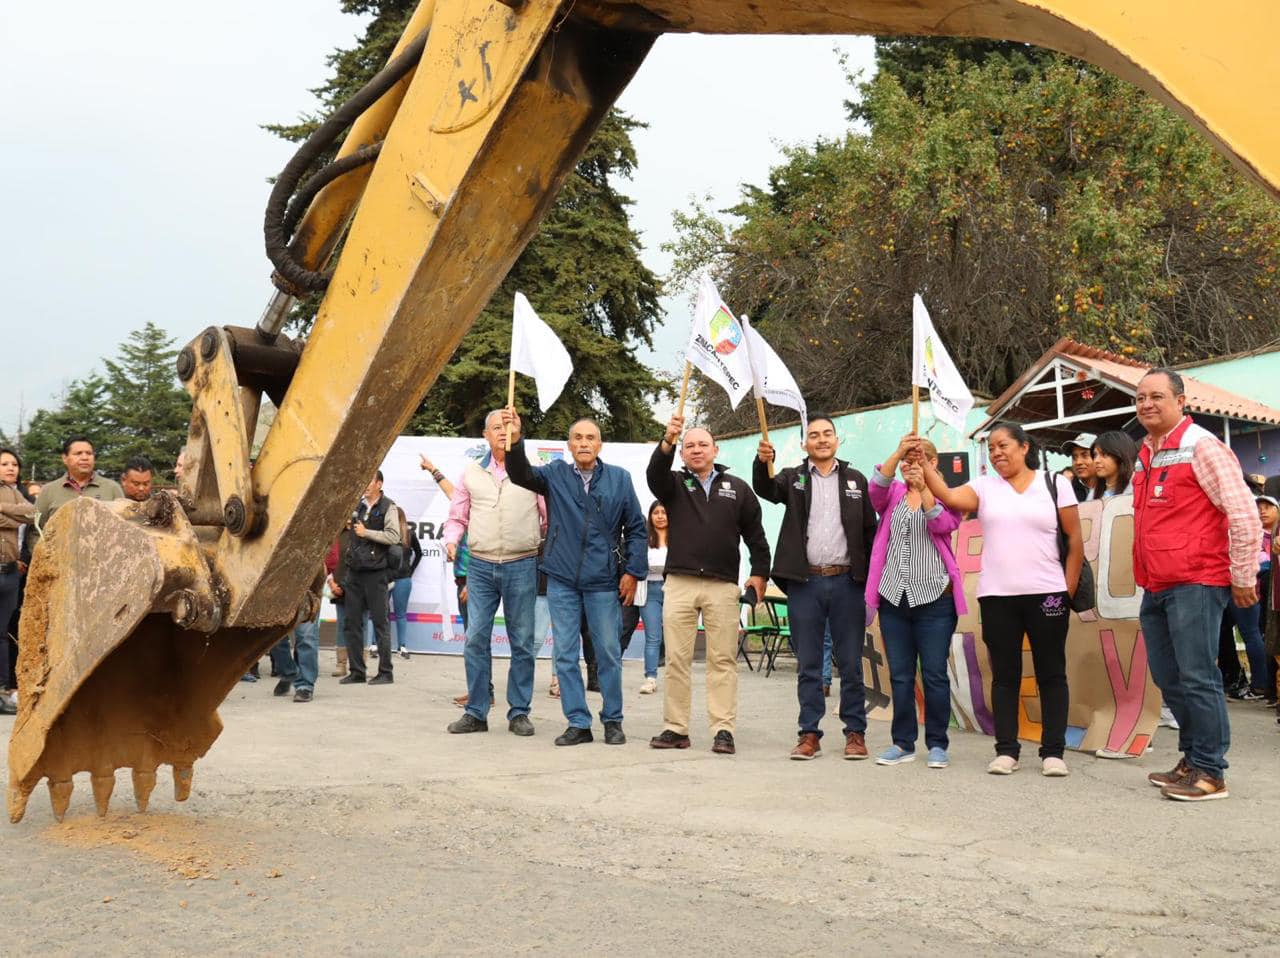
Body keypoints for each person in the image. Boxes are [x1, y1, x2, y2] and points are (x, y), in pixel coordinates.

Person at [922, 422, 1083, 777]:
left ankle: (1053, 752)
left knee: (1051, 673)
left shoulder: (1055, 484)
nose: (996, 453)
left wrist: (1065, 593)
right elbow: (948, 498)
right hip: (997, 596)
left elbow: (1075, 542)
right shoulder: (984, 487)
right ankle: (1007, 750)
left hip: (1047, 595)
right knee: (1004, 675)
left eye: (1003, 445)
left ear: (1024, 447)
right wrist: (924, 465)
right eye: (991, 448)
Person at [1133, 368, 1260, 802]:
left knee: (1198, 676)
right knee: (1169, 677)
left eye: (1157, 397)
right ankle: (1191, 759)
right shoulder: (1147, 452)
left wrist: (1242, 576)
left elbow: (1242, 511)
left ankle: (1211, 771)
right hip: (1156, 584)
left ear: (1181, 401)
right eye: (1140, 398)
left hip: (1197, 581)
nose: (1147, 404)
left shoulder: (1202, 446)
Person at [505, 408, 647, 747]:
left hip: (602, 581)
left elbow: (638, 529)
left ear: (600, 445)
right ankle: (578, 723)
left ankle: (613, 719)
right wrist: (514, 441)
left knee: (608, 652)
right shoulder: (554, 474)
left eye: (590, 437)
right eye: (578, 438)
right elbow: (520, 473)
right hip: (562, 580)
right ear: (568, 445)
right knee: (565, 654)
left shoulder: (620, 478)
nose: (584, 443)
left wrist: (632, 572)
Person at [755, 415, 877, 761]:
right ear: (804, 444)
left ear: (837, 440)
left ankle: (855, 732)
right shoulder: (792, 478)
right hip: (805, 582)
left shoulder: (856, 480)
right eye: (813, 436)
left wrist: (868, 579)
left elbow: (870, 531)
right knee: (808, 663)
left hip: (847, 582)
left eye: (827, 434)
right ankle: (809, 733)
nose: (821, 440)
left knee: (851, 663)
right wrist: (762, 461)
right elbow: (766, 489)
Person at [648, 414, 769, 756]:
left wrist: (760, 572)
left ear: (716, 449)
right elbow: (653, 474)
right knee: (676, 659)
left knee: (722, 660)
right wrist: (667, 441)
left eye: (703, 445)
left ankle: (723, 730)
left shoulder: (737, 488)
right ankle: (676, 728)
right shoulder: (672, 484)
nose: (697, 450)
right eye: (689, 446)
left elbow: (756, 537)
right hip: (681, 583)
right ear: (682, 454)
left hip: (722, 586)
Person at [442, 411, 547, 737]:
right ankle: (476, 711)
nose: (503, 432)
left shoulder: (531, 474)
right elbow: (457, 517)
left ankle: (519, 713)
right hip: (481, 566)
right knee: (475, 639)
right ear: (486, 435)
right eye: (497, 428)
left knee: (522, 642)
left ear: (518, 432)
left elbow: (546, 518)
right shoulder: (470, 473)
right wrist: (451, 540)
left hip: (522, 564)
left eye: (509, 426)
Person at [866, 434, 966, 769]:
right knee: (901, 675)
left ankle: (938, 743)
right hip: (894, 597)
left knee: (935, 673)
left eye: (919, 459)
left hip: (934, 599)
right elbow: (874, 490)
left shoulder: (949, 496)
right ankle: (902, 742)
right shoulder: (893, 494)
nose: (911, 465)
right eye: (908, 460)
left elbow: (941, 524)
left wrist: (925, 488)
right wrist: (898, 452)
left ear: (933, 463)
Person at [339, 470, 403, 686]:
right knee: (351, 624)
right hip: (355, 572)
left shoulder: (388, 507)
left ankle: (386, 672)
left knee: (380, 624)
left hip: (376, 574)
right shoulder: (357, 506)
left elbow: (394, 536)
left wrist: (367, 533)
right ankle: (357, 671)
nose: (365, 485)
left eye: (369, 481)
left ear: (379, 483)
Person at [0, 448, 35, 716]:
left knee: (3, 634)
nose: (11, 468)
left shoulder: (14, 492)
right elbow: (19, 516)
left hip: (10, 573)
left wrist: (2, 508)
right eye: (4, 464)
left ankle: (2, 691)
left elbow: (32, 513)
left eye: (14, 464)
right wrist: (14, 515)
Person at [33, 436, 124, 533]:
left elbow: (125, 528)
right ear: (65, 458)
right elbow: (36, 529)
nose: (85, 457)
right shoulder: (48, 491)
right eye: (78, 453)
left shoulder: (112, 488)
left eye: (89, 453)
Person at [633, 501, 668, 695]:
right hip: (650, 589)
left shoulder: (679, 538)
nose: (660, 516)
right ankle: (650, 678)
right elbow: (638, 564)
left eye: (664, 512)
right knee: (653, 637)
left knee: (676, 637)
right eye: (656, 513)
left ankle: (676, 677)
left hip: (674, 589)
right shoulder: (644, 539)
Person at [270, 592, 321, 702]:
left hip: (307, 591)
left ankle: (305, 685)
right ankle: (289, 673)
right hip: (277, 591)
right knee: (274, 638)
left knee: (306, 637)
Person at [389, 515, 423, 659]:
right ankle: (374, 644)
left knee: (400, 613)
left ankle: (402, 646)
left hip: (403, 578)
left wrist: (410, 570)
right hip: (384, 579)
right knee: (379, 613)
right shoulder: (384, 534)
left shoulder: (409, 534)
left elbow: (419, 553)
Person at [1089, 431, 1139, 499]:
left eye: (1104, 454)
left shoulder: (1138, 485)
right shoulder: (1094, 492)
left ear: (1120, 454)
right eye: (1095, 455)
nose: (1096, 461)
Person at [1060, 432, 1098, 502]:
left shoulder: (1112, 486)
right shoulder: (1067, 488)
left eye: (1085, 455)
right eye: (1074, 457)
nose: (1078, 462)